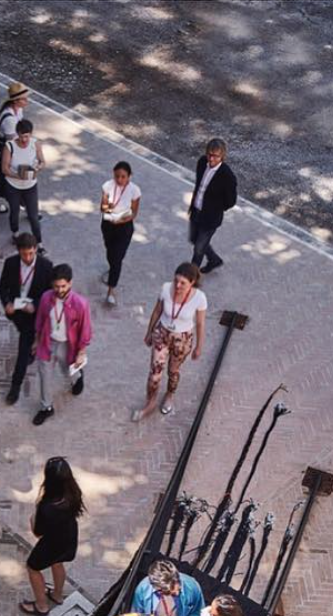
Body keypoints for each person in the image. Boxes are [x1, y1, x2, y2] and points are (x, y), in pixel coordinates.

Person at [134, 262, 206, 422]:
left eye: (183, 283)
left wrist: (199, 347)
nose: (178, 286)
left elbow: (200, 324)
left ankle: (169, 395)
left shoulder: (199, 298)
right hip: (162, 333)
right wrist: (149, 332)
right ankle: (150, 402)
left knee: (173, 371)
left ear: (192, 282)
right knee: (154, 373)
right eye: (176, 281)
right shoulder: (166, 288)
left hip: (183, 339)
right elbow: (157, 311)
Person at [21, 457, 85, 616]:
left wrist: (34, 516)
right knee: (57, 563)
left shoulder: (47, 507)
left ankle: (41, 606)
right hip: (69, 537)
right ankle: (57, 595)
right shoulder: (74, 493)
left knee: (33, 567)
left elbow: (38, 532)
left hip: (52, 543)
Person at [0, 232, 54, 405]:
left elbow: (49, 293)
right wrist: (6, 303)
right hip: (16, 311)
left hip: (33, 312)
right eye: (24, 254)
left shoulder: (46, 266)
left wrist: (35, 305)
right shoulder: (11, 263)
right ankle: (31, 348)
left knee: (23, 346)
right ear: (18, 251)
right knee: (25, 335)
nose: (28, 258)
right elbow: (2, 287)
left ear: (36, 249)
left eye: (31, 253)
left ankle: (15, 387)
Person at [32, 264, 92, 427]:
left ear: (70, 283)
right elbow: (40, 320)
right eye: (56, 286)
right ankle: (46, 407)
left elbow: (85, 330)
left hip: (68, 344)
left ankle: (77, 377)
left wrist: (81, 351)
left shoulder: (81, 304)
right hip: (48, 342)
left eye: (63, 286)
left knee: (67, 371)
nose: (59, 290)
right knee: (44, 374)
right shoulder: (46, 298)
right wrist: (37, 341)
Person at [188, 137, 237, 273]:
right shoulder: (202, 162)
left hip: (210, 218)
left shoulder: (227, 176)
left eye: (215, 156)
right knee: (194, 239)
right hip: (196, 209)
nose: (211, 159)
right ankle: (214, 260)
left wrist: (215, 207)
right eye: (209, 154)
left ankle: (191, 278)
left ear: (222, 156)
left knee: (198, 249)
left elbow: (231, 201)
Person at [0, 82, 30, 214]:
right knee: (19, 179)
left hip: (6, 154)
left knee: (0, 179)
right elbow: (12, 143)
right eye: (25, 99)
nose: (27, 101)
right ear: (16, 101)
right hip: (7, 155)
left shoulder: (17, 110)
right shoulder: (9, 120)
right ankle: (28, 208)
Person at [100, 160, 141, 305]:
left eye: (123, 176)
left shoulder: (135, 190)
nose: (120, 179)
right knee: (110, 253)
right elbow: (102, 207)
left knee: (117, 257)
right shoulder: (107, 186)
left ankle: (111, 290)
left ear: (129, 176)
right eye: (117, 176)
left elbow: (134, 213)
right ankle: (112, 270)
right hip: (108, 225)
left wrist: (120, 219)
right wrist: (108, 207)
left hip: (124, 227)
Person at [1, 119, 46, 247]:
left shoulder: (35, 144)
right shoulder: (9, 146)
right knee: (14, 211)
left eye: (27, 136)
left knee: (33, 215)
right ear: (17, 134)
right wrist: (18, 175)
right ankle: (15, 233)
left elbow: (42, 161)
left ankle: (39, 242)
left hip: (30, 185)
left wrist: (38, 168)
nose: (24, 140)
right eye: (22, 136)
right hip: (13, 185)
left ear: (31, 134)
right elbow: (5, 168)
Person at [131, 559, 204, 616]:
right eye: (171, 593)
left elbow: (196, 614)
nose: (177, 592)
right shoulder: (143, 588)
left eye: (178, 586)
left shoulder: (192, 586)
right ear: (158, 589)